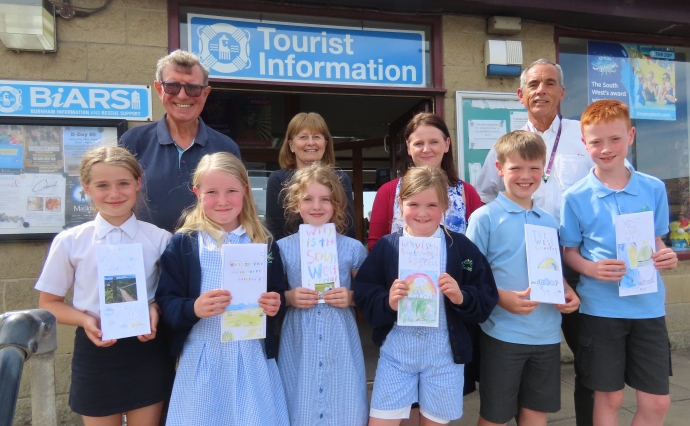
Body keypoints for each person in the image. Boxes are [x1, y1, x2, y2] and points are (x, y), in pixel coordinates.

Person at [474, 58, 595, 425]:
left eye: (549, 83)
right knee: (504, 391)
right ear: (521, 94)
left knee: (588, 363)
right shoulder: (503, 148)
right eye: (533, 84)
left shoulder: (582, 136)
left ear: (562, 91)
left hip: (575, 264)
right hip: (515, 273)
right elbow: (483, 198)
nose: (541, 90)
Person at [35, 146, 174, 425]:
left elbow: (168, 295)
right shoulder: (71, 241)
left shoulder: (160, 239)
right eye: (102, 185)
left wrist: (154, 308)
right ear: (86, 188)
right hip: (96, 350)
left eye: (123, 183)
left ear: (137, 184)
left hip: (146, 350)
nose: (114, 194)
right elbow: (49, 304)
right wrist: (86, 320)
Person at [560, 100, 678, 426]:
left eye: (615, 139)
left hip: (648, 309)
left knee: (657, 402)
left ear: (631, 136)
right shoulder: (575, 197)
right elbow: (569, 251)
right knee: (608, 397)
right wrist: (590, 269)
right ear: (584, 144)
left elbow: (657, 241)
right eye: (596, 141)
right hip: (601, 311)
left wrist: (665, 255)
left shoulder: (653, 188)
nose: (606, 148)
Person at [353, 166, 498, 426]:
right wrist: (387, 301)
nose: (422, 213)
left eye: (432, 205)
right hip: (397, 355)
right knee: (380, 421)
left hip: (443, 355)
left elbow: (486, 294)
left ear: (444, 204)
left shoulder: (461, 248)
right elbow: (364, 293)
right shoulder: (387, 247)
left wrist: (461, 297)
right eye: (413, 204)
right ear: (400, 203)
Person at [155, 153, 288, 426]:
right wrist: (192, 308)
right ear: (197, 193)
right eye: (212, 192)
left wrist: (275, 305)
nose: (223, 200)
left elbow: (277, 292)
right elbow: (166, 301)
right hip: (203, 357)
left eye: (231, 191)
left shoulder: (263, 242)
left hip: (252, 356)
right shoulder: (184, 244)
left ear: (246, 191)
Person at [466, 131, 580, 426]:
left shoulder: (548, 220)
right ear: (500, 168)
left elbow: (552, 269)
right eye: (516, 168)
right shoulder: (485, 217)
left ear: (543, 171)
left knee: (535, 412)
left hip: (546, 333)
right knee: (495, 415)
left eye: (534, 168)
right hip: (503, 334)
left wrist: (567, 291)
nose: (525, 176)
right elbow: (469, 273)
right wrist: (500, 297)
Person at [276, 162, 368, 425]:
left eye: (325, 199)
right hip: (299, 336)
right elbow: (270, 294)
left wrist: (351, 298)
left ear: (336, 205)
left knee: (344, 402)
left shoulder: (352, 249)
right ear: (296, 204)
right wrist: (290, 297)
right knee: (299, 399)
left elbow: (368, 293)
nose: (316, 206)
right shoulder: (281, 249)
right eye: (308, 199)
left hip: (340, 336)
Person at [119, 49, 241, 233]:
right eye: (172, 86)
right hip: (148, 256)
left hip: (207, 256)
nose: (183, 96)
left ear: (206, 93)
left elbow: (237, 207)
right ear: (159, 89)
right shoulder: (133, 141)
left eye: (193, 88)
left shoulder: (226, 148)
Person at [368, 113, 482, 251]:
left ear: (446, 144)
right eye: (418, 143)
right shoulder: (388, 191)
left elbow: (478, 247)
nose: (426, 149)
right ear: (409, 148)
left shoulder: (467, 192)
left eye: (433, 142)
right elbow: (376, 247)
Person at [266, 112, 356, 240]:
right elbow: (275, 230)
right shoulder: (278, 179)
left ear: (325, 143)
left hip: (334, 255)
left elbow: (349, 227)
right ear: (291, 145)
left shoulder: (340, 179)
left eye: (316, 137)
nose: (310, 143)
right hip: (291, 256)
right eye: (303, 137)